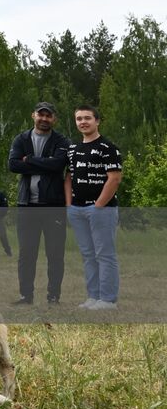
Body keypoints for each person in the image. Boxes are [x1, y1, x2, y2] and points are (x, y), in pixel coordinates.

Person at [8, 102, 70, 305]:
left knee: (55, 254)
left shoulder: (61, 141)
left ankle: (54, 297)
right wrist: (44, 163)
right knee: (26, 253)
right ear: (33, 115)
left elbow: (58, 165)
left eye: (48, 115)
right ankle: (26, 296)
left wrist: (30, 160)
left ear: (54, 119)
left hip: (53, 206)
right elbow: (13, 164)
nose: (44, 119)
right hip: (26, 205)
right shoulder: (21, 139)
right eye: (40, 115)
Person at [65, 105, 123, 311]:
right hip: (77, 210)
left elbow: (114, 178)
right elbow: (69, 177)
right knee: (88, 255)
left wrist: (98, 206)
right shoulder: (72, 149)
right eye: (79, 118)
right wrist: (69, 205)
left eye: (87, 118)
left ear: (97, 121)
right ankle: (93, 296)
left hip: (102, 210)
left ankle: (108, 300)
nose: (83, 122)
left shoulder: (108, 148)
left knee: (104, 254)